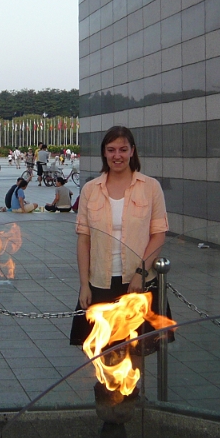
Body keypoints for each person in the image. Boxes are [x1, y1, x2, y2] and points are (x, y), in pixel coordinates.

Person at [70, 125, 169, 347]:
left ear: (132, 151)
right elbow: (84, 239)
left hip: (139, 282)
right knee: (101, 349)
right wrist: (84, 284)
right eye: (111, 150)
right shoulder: (90, 190)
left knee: (135, 351)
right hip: (100, 282)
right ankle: (103, 383)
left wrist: (141, 273)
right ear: (104, 153)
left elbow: (158, 234)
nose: (117, 156)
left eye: (123, 150)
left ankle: (131, 383)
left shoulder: (151, 187)